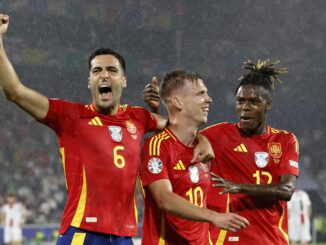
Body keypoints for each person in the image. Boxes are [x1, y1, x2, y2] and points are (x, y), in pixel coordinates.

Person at [0, 14, 212, 244]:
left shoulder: (138, 117)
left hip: (124, 237)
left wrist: (202, 139)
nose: (103, 75)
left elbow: (177, 128)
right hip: (82, 233)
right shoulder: (70, 116)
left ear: (123, 81)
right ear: (89, 81)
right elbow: (15, 91)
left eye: (111, 70)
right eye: (96, 71)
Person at [144, 59, 299, 244]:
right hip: (227, 239)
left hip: (271, 239)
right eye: (241, 101)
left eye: (254, 102)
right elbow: (176, 137)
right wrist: (158, 110)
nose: (245, 107)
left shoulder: (284, 140)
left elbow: (286, 190)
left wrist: (238, 187)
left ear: (268, 104)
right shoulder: (220, 134)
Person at [140, 70, 249, 244]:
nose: (209, 99)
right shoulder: (156, 146)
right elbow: (164, 198)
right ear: (178, 102)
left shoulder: (201, 147)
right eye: (201, 94)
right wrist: (214, 217)